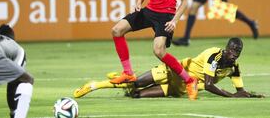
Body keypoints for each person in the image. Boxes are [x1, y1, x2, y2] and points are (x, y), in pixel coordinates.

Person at [110, 0, 198, 100]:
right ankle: (128, 73)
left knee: (159, 51)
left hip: (165, 15)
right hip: (149, 10)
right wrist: (138, 2)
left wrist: (174, 20)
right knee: (117, 30)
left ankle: (190, 80)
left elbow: (185, 0)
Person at [74, 38, 264, 99]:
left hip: (179, 87)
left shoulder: (235, 68)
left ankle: (122, 82)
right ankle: (95, 85)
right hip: (174, 70)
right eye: (232, 49)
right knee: (136, 82)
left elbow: (241, 90)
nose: (235, 53)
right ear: (227, 48)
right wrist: (231, 96)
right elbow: (207, 84)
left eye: (238, 51)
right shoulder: (215, 55)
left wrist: (250, 95)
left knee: (135, 95)